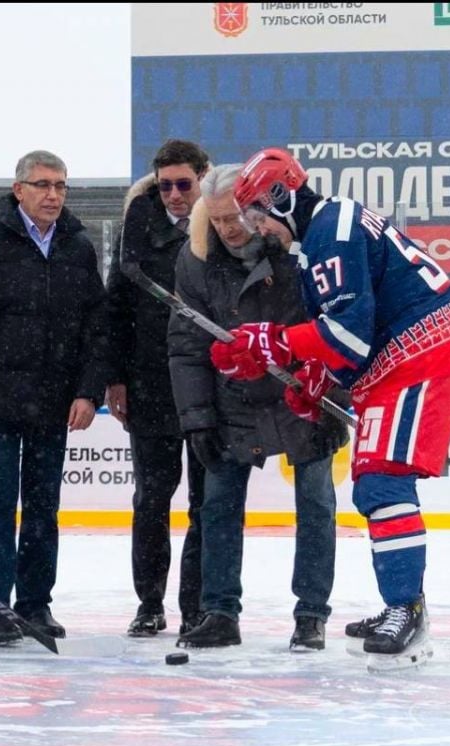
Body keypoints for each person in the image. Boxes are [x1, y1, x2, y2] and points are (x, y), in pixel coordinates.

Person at [213, 147, 450, 668]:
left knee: (382, 481)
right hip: (409, 356)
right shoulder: (324, 235)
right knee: (374, 483)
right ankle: (400, 603)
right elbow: (347, 343)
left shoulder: (330, 231)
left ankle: (407, 607)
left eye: (256, 213)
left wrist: (274, 343)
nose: (257, 228)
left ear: (281, 197)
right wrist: (318, 374)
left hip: (425, 355)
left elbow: (350, 336)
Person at [169, 163, 349, 650]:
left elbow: (340, 328)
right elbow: (186, 346)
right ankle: (220, 612)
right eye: (218, 218)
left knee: (316, 505)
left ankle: (311, 614)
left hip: (304, 396)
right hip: (234, 400)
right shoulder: (196, 260)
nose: (229, 228)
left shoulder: (301, 250)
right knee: (218, 507)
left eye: (236, 217)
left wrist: (333, 397)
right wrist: (197, 417)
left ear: (258, 208)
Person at [0, 150, 110, 647]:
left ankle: (36, 604)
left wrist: (88, 391)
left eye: (60, 185)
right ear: (19, 190)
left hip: (55, 402)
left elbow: (93, 328)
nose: (53, 194)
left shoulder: (77, 246)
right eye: (42, 185)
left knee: (43, 507)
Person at [106, 139, 211, 638]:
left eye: (183, 184)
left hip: (210, 383)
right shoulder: (136, 227)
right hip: (150, 383)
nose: (174, 195)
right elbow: (116, 306)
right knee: (152, 497)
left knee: (206, 502)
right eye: (166, 185)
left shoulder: (222, 220)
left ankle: (198, 605)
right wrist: (116, 377)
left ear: (202, 178)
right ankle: (150, 602)